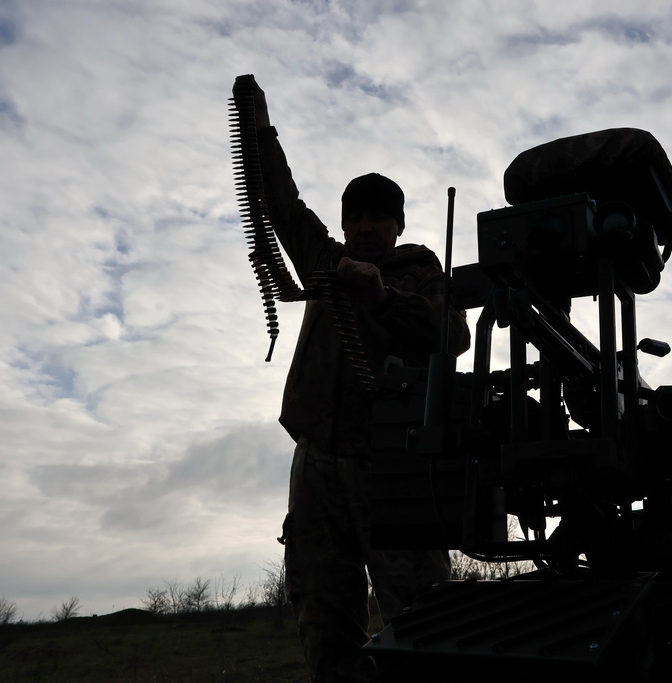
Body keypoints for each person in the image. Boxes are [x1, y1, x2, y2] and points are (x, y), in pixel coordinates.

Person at [251, 88, 471, 683]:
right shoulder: (323, 263)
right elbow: (282, 206)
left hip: (391, 467)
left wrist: (381, 296)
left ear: (398, 224)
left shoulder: (422, 273)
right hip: (316, 463)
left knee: (422, 614)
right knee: (323, 611)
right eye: (358, 216)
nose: (368, 226)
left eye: (381, 216)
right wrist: (260, 129)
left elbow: (450, 337)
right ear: (345, 222)